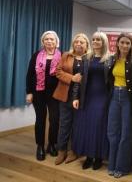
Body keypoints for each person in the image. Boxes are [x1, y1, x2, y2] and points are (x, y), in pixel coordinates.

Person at [106, 33, 132, 178]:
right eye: (122, 42)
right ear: (118, 44)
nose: (125, 45)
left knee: (126, 133)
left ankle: (122, 167)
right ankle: (112, 164)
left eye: (128, 43)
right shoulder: (112, 59)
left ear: (131, 45)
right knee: (112, 131)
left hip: (129, 98)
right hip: (114, 96)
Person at [72, 32, 110, 170]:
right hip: (87, 97)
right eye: (93, 39)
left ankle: (98, 157)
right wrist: (75, 97)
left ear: (104, 42)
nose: (95, 41)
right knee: (87, 127)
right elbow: (78, 79)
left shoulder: (110, 59)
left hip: (103, 98)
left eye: (98, 39)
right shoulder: (86, 58)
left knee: (99, 127)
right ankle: (88, 157)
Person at [53, 33, 91, 165]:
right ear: (73, 44)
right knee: (64, 124)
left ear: (87, 45)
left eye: (82, 42)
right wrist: (72, 78)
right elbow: (58, 72)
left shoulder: (89, 59)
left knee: (77, 125)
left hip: (82, 98)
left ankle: (74, 151)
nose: (79, 44)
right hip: (65, 96)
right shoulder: (66, 55)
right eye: (76, 42)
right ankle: (62, 150)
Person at [26, 30, 61, 161]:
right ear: (43, 42)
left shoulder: (61, 56)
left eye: (52, 39)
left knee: (55, 119)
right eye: (46, 39)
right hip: (38, 92)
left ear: (56, 41)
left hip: (55, 93)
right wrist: (29, 92)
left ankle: (52, 144)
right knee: (40, 119)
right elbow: (30, 74)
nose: (49, 41)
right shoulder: (36, 55)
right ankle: (40, 146)